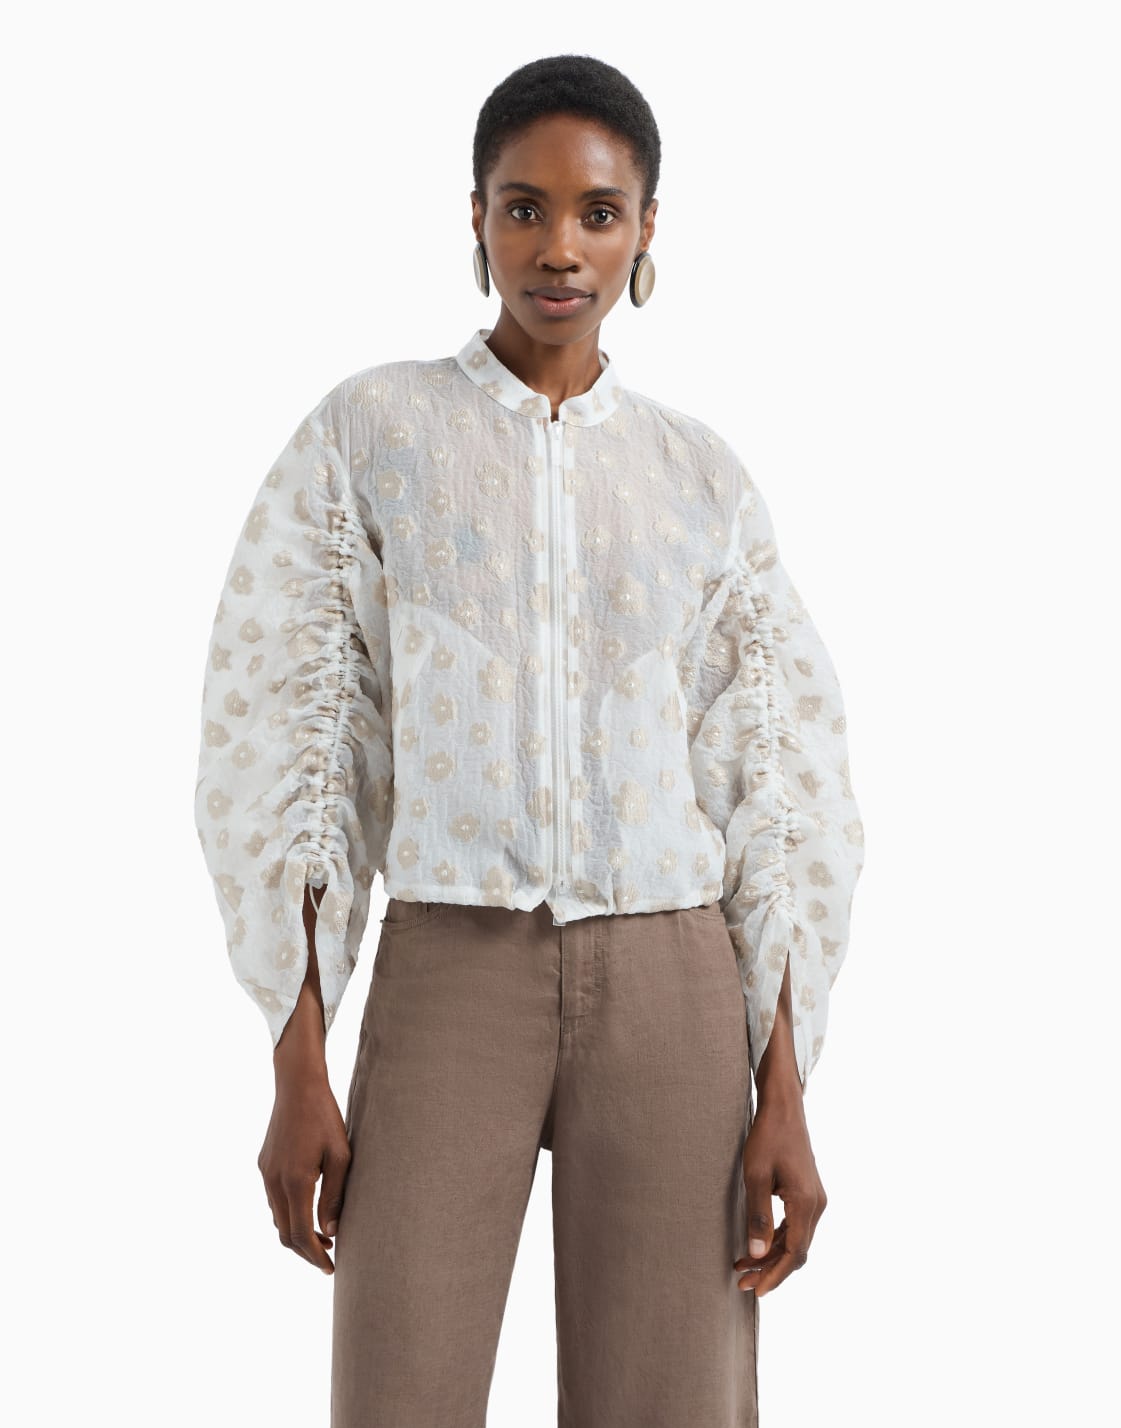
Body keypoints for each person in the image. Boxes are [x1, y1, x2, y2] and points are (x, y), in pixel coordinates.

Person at [193, 52, 865, 1428]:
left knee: (672, 1402)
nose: (560, 247)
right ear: (476, 216)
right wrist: (295, 1056)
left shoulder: (698, 474)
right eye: (524, 207)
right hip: (453, 966)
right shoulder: (373, 433)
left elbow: (775, 772)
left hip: (670, 978)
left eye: (598, 212)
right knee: (400, 1392)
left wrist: (784, 1085)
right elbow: (299, 737)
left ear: (647, 228)